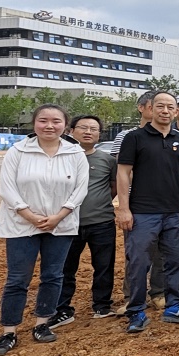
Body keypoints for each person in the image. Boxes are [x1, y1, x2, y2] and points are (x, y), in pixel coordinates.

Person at [0, 105, 90, 356]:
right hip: (21, 224)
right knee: (17, 279)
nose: (49, 126)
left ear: (65, 126)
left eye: (55, 121)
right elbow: (7, 188)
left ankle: (42, 323)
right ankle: (9, 331)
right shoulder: (18, 151)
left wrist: (59, 216)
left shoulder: (75, 152)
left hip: (61, 224)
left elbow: (80, 189)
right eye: (43, 121)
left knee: (53, 275)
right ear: (34, 124)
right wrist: (28, 215)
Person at [116, 91, 179, 332]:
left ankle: (174, 306)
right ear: (149, 108)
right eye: (159, 106)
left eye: (169, 107)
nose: (165, 110)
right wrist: (123, 208)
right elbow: (123, 173)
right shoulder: (135, 138)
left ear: (174, 111)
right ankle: (136, 311)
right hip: (142, 213)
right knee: (139, 262)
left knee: (174, 260)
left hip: (174, 212)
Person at [51, 114, 118, 326]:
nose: (88, 132)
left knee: (104, 266)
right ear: (71, 131)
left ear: (99, 134)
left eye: (94, 129)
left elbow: (114, 187)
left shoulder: (107, 160)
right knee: (65, 268)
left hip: (102, 222)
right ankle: (62, 309)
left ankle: (102, 305)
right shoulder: (61, 158)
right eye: (83, 128)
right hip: (68, 223)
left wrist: (99, 202)